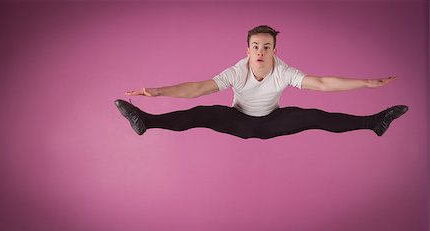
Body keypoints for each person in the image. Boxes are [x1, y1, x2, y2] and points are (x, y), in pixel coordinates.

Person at [114, 25, 408, 139]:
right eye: (255, 46)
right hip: (238, 121)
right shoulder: (237, 70)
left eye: (266, 47)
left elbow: (320, 83)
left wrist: (366, 83)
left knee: (315, 116)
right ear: (248, 49)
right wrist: (157, 91)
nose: (260, 52)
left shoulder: (283, 70)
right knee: (203, 112)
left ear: (274, 51)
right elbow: (198, 88)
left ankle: (375, 122)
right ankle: (146, 122)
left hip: (273, 122)